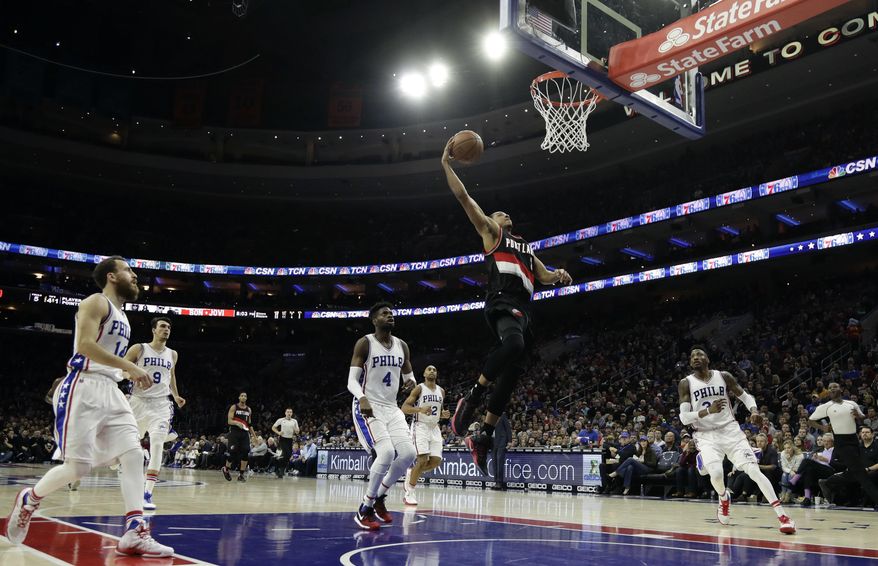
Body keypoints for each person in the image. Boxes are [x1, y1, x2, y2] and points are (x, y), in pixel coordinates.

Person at [4, 256, 173, 557]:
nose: (134, 276)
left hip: (111, 389)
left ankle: (135, 530)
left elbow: (108, 359)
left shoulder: (122, 314)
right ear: (111, 276)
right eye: (128, 271)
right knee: (77, 467)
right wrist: (130, 367)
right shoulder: (96, 302)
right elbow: (84, 345)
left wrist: (124, 373)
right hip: (83, 387)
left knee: (134, 454)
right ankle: (30, 499)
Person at [441, 139, 572, 473]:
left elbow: (542, 275)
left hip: (525, 312)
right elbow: (463, 198)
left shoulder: (526, 246)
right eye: (499, 212)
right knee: (512, 345)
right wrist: (446, 165)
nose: (504, 213)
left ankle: (483, 434)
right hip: (502, 302)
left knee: (513, 373)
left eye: (504, 213)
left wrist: (559, 276)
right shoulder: (491, 231)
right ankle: (472, 397)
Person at [678, 346, 795, 534]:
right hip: (705, 434)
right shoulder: (686, 383)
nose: (695, 358)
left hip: (730, 430)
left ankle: (783, 516)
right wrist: (708, 411)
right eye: (692, 356)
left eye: (699, 354)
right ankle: (724, 498)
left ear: (708, 359)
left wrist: (754, 411)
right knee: (716, 474)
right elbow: (684, 418)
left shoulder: (723, 376)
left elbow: (745, 396)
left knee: (754, 471)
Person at [348, 302, 417, 530]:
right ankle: (364, 508)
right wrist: (362, 397)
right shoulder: (365, 343)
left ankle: (379, 496)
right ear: (374, 320)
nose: (390, 316)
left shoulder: (402, 345)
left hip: (391, 407)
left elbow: (410, 377)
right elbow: (351, 382)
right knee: (386, 452)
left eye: (391, 313)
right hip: (369, 405)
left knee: (408, 454)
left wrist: (411, 384)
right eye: (384, 314)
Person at [123, 316, 186, 511]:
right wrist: (131, 374)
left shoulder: (172, 354)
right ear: (154, 330)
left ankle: (147, 493)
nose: (167, 329)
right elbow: (122, 368)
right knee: (130, 444)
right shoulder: (139, 348)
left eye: (169, 327)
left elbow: (171, 376)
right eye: (163, 326)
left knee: (158, 444)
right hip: (138, 402)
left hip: (161, 405)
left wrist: (175, 395)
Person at [808, 383, 878, 510]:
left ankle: (832, 483)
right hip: (841, 442)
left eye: (835, 387)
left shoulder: (851, 404)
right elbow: (810, 420)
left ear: (840, 389)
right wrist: (822, 427)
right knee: (860, 472)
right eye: (829, 388)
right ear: (828, 392)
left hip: (855, 440)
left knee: (854, 472)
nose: (832, 389)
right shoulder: (826, 406)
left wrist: (858, 416)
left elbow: (862, 417)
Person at [400, 365, 450, 505]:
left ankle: (411, 473)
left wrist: (443, 414)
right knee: (422, 460)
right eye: (429, 369)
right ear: (424, 373)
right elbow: (404, 408)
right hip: (420, 426)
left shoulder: (441, 391)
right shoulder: (419, 388)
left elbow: (437, 411)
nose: (432, 371)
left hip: (434, 428)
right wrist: (420, 409)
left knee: (435, 462)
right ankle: (410, 491)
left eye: (434, 369)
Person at [222, 392, 256, 482]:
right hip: (234, 432)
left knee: (246, 451)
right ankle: (226, 469)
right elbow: (229, 421)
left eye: (245, 396)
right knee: (232, 451)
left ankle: (241, 474)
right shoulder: (234, 407)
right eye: (242, 396)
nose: (243, 397)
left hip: (244, 433)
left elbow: (250, 424)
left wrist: (255, 437)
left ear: (246, 398)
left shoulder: (249, 409)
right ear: (239, 397)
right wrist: (237, 423)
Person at [271, 408, 300, 478]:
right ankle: (281, 471)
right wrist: (278, 432)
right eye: (288, 412)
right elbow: (273, 427)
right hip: (282, 439)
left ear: (292, 413)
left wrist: (297, 430)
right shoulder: (281, 420)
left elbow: (297, 431)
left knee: (288, 456)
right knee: (286, 454)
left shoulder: (294, 421)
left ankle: (277, 467)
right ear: (285, 413)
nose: (289, 413)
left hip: (290, 439)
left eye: (290, 412)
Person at [491, 414, 512, 491]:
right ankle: (496, 482)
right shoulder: (490, 417)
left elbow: (508, 428)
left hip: (501, 441)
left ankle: (500, 482)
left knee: (500, 461)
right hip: (493, 442)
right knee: (494, 463)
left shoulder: (502, 416)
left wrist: (509, 441)